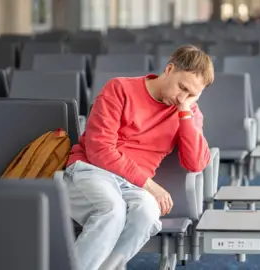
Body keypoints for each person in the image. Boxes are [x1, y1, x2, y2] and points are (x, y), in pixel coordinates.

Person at [63, 45, 214, 270]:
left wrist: (185, 112)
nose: (183, 97)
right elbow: (99, 150)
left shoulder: (189, 113)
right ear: (169, 69)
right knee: (111, 209)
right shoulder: (119, 88)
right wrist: (149, 185)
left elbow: (196, 163)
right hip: (91, 171)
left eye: (192, 94)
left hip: (132, 186)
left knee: (147, 213)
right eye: (182, 87)